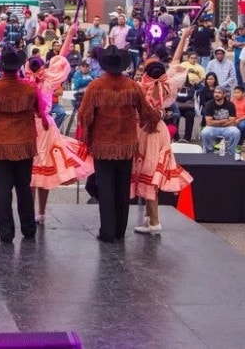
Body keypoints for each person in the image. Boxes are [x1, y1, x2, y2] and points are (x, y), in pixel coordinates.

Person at [78, 45, 159, 243]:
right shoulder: (132, 86)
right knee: (122, 189)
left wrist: (88, 137)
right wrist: (154, 120)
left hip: (103, 145)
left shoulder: (96, 86)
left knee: (105, 190)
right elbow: (148, 112)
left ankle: (107, 232)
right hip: (127, 146)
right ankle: (120, 232)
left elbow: (84, 115)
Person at [0, 46, 46, 242]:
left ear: (1, 67)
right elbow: (41, 111)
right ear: (18, 67)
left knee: (3, 190)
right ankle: (28, 229)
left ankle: (6, 233)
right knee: (24, 187)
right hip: (24, 144)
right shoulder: (30, 88)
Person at [132, 27, 195, 235]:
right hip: (159, 131)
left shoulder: (142, 89)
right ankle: (150, 217)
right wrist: (184, 37)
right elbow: (176, 62)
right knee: (152, 174)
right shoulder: (167, 85)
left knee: (149, 175)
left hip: (146, 131)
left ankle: (155, 221)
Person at [28, 24, 93, 224]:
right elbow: (62, 57)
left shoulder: (31, 82)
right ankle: (39, 212)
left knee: (35, 171)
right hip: (41, 126)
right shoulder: (46, 80)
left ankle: (36, 212)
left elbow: (62, 57)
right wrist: (70, 35)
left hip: (37, 126)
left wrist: (71, 35)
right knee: (38, 171)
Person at [199, 87, 242, 157]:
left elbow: (232, 121)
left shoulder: (230, 105)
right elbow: (208, 122)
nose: (216, 94)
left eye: (219, 93)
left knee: (236, 132)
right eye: (215, 92)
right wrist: (223, 121)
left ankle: (231, 153)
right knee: (204, 132)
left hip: (227, 127)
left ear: (224, 95)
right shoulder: (209, 104)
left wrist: (216, 122)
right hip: (213, 128)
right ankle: (209, 152)